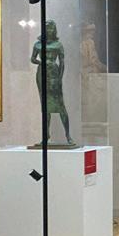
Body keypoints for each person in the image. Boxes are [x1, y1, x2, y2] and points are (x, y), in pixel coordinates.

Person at [31, 19, 75, 147]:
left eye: (51, 28)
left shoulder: (58, 45)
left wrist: (60, 78)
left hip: (54, 75)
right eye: (47, 28)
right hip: (41, 75)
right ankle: (46, 136)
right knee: (45, 107)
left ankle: (68, 135)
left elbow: (62, 62)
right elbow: (32, 59)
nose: (49, 30)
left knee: (60, 106)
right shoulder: (38, 44)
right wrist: (41, 62)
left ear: (54, 30)